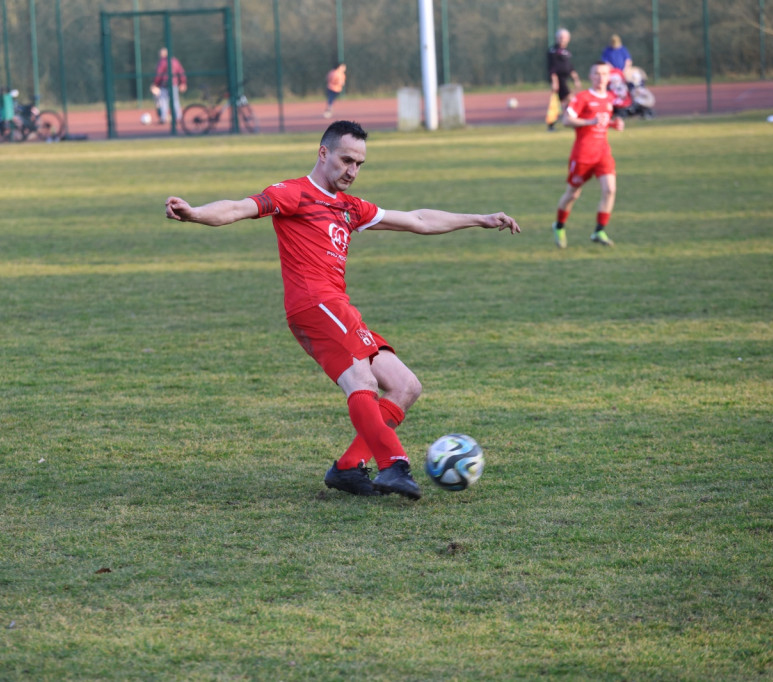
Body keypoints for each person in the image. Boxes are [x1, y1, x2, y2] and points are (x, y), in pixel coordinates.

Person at [164, 120, 520, 500]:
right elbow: (238, 207)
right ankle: (393, 465)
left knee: (405, 386)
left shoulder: (351, 208)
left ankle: (349, 468)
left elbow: (418, 219)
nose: (352, 171)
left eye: (360, 164)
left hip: (339, 306)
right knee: (363, 382)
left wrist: (479, 219)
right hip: (313, 304)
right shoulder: (293, 193)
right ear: (323, 154)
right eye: (346, 160)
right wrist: (194, 213)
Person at [552, 62, 625, 249]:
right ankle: (559, 225)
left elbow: (603, 121)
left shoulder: (610, 98)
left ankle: (599, 231)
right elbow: (566, 120)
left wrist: (614, 124)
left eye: (604, 74)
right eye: (597, 74)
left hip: (603, 154)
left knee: (610, 190)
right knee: (573, 194)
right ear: (591, 76)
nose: (601, 77)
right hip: (582, 155)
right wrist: (590, 121)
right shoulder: (583, 97)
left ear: (609, 77)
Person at [547, 28, 582, 131]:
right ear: (557, 38)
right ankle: (569, 121)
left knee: (563, 102)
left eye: (564, 37)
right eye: (560, 37)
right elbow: (552, 68)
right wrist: (554, 81)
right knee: (568, 100)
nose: (562, 40)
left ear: (568, 39)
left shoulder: (566, 52)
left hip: (565, 79)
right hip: (559, 79)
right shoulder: (553, 51)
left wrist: (576, 79)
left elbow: (570, 67)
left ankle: (558, 122)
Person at [151, 47, 187, 124]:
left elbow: (158, 74)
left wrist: (155, 84)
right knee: (175, 101)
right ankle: (179, 117)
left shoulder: (162, 62)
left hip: (164, 84)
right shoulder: (174, 61)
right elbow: (181, 71)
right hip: (174, 83)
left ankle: (164, 118)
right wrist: (183, 82)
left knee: (164, 101)